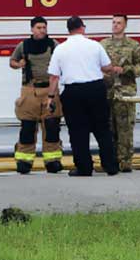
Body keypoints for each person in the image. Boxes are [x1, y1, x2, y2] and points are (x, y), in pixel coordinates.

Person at [48, 16, 121, 176]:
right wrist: (112, 69)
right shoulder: (95, 45)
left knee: (78, 132)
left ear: (69, 30)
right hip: (95, 89)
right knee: (102, 129)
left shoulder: (60, 49)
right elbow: (107, 67)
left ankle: (84, 167)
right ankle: (111, 166)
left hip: (73, 93)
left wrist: (50, 97)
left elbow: (54, 77)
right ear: (82, 28)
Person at [8, 16, 63, 174]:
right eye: (39, 28)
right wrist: (19, 64)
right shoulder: (23, 45)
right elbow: (12, 61)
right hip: (29, 90)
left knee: (52, 127)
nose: (42, 30)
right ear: (32, 29)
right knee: (27, 127)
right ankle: (24, 161)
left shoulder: (53, 45)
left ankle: (52, 161)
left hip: (50, 90)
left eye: (44, 27)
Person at [101, 13, 140, 172]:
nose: (115, 25)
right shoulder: (103, 45)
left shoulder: (133, 46)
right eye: (113, 22)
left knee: (125, 128)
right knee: (108, 127)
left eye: (119, 23)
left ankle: (125, 161)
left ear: (125, 25)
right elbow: (95, 65)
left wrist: (127, 70)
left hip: (126, 93)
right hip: (107, 92)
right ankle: (111, 161)